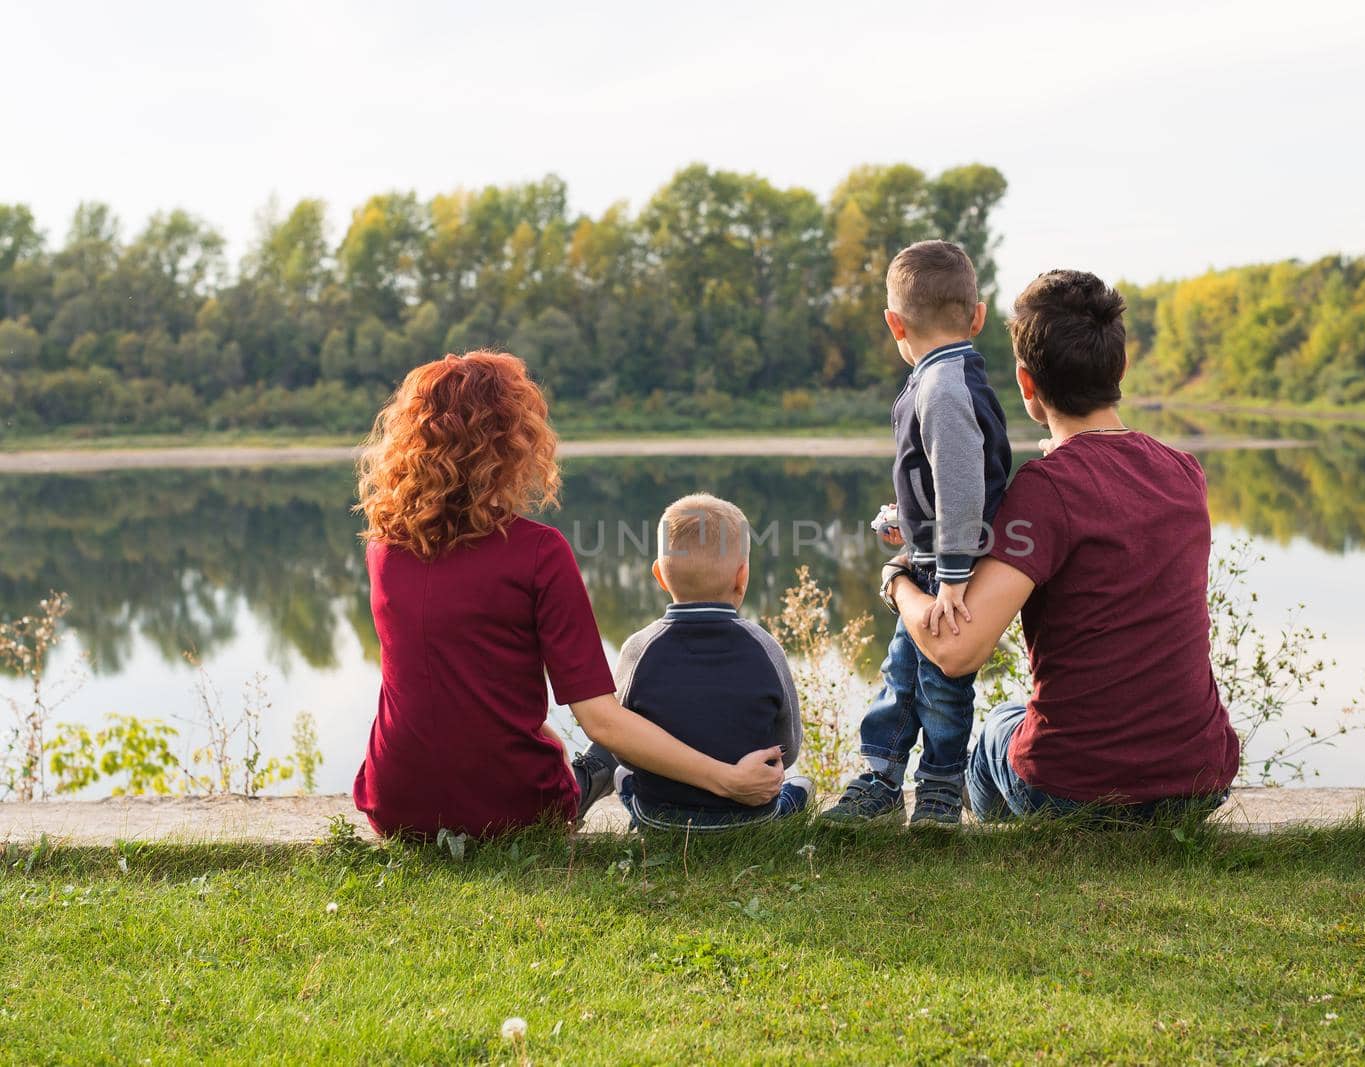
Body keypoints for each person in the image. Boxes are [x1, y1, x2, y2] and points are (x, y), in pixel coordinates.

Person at [350, 351, 783, 839]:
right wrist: (729, 781)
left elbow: (448, 689)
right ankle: (590, 774)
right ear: (510, 444)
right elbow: (601, 719)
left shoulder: (384, 549)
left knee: (564, 745)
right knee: (603, 754)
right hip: (513, 812)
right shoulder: (537, 551)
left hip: (396, 804)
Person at [882, 270, 1239, 821]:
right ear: (1119, 368)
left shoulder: (1046, 490)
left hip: (1074, 790)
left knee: (1000, 726)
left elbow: (957, 651)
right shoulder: (1184, 473)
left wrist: (897, 579)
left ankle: (1018, 844)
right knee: (1020, 714)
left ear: (1026, 385)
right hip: (1198, 781)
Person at [822, 240, 1012, 827]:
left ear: (893, 323)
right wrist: (904, 521)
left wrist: (951, 574)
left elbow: (959, 485)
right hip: (937, 558)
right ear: (977, 316)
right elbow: (941, 479)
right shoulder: (948, 379)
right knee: (901, 676)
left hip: (951, 570)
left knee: (942, 683)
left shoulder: (940, 386)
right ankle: (881, 778)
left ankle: (938, 785)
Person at [574, 493, 813, 831]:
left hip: (659, 816)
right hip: (750, 815)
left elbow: (625, 748)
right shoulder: (765, 646)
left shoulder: (638, 648)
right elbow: (787, 748)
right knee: (802, 785)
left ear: (659, 575)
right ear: (742, 576)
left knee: (623, 773)